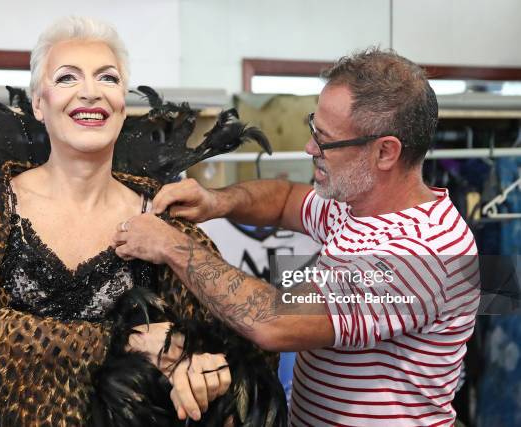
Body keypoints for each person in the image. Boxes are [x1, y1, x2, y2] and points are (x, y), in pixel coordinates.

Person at [114, 48, 480, 426]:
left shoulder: (417, 253)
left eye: (325, 140)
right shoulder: (358, 204)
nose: (310, 148)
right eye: (313, 128)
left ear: (385, 152)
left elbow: (275, 320)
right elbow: (286, 199)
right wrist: (216, 201)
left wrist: (172, 246)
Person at [0, 16, 236, 425]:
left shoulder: (163, 214)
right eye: (68, 78)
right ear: (39, 103)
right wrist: (127, 342)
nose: (90, 92)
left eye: (107, 79)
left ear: (123, 103)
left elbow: (229, 332)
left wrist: (204, 369)